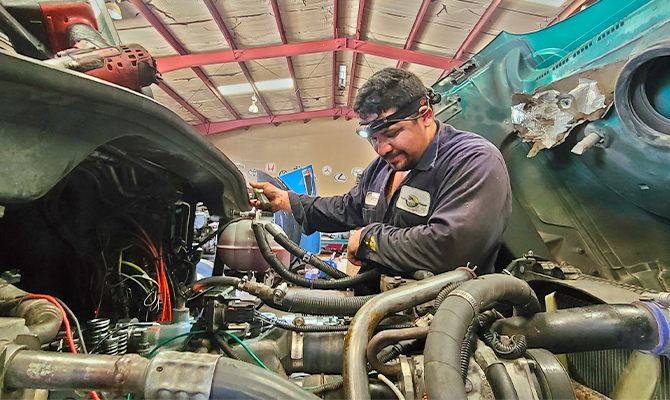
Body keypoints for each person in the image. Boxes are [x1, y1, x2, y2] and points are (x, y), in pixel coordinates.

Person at [251, 68, 511, 277]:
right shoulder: (382, 168)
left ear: (426, 115)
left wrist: (368, 240)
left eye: (392, 133)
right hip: (381, 310)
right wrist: (287, 201)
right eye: (373, 138)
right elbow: (347, 208)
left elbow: (452, 247)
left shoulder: (472, 160)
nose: (381, 149)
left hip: (446, 323)